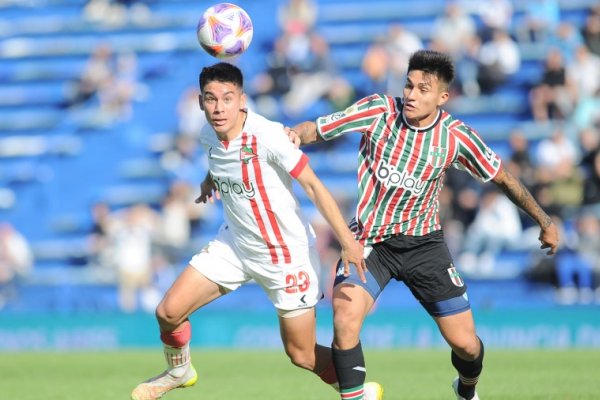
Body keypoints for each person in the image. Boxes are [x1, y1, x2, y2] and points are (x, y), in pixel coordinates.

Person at [289, 49, 560, 400]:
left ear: (442, 97)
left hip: (424, 247)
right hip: (370, 243)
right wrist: (294, 133)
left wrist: (545, 221)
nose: (412, 95)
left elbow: (503, 178)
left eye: (423, 89)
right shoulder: (378, 110)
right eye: (409, 85)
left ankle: (466, 389)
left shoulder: (456, 136)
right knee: (344, 319)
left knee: (466, 346)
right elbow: (318, 129)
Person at [130, 62, 383, 400]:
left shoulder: (268, 136)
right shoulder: (208, 133)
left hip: (286, 256)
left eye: (227, 98)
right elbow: (221, 160)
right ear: (201, 102)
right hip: (234, 244)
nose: (219, 108)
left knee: (302, 354)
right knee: (168, 312)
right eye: (210, 99)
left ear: (243, 101)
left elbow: (313, 186)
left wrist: (348, 243)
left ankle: (357, 390)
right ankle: (179, 371)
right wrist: (210, 181)